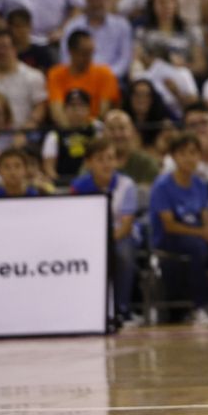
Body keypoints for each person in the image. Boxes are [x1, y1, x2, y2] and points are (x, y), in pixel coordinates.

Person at [148, 131, 208, 327]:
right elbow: (169, 224)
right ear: (174, 157)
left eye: (194, 153)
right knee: (198, 247)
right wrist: (202, 233)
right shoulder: (162, 186)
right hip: (168, 238)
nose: (189, 158)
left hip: (195, 235)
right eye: (183, 153)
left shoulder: (200, 184)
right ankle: (200, 306)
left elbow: (205, 217)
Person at [70, 137, 139, 326]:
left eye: (110, 158)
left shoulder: (127, 185)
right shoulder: (78, 186)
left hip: (120, 236)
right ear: (89, 162)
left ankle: (122, 310)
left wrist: (104, 243)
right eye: (100, 159)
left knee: (122, 254)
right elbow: (75, 220)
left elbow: (126, 225)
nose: (106, 163)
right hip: (88, 237)